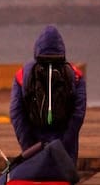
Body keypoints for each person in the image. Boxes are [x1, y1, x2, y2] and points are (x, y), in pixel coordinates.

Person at [9, 25, 87, 164]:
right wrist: (64, 145)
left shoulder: (23, 75)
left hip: (34, 142)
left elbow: (16, 114)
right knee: (63, 183)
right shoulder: (75, 76)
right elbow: (77, 114)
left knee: (37, 182)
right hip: (65, 146)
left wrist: (30, 147)